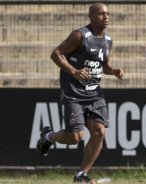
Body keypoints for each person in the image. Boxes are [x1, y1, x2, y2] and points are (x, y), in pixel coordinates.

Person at [36, 3, 123, 183]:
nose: (105, 16)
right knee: (75, 137)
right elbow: (56, 54)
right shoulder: (79, 36)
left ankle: (81, 174)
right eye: (100, 14)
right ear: (91, 16)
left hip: (94, 93)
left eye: (107, 13)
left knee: (99, 132)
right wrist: (73, 71)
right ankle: (48, 137)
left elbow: (103, 64)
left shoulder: (108, 40)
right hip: (73, 92)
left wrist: (113, 71)